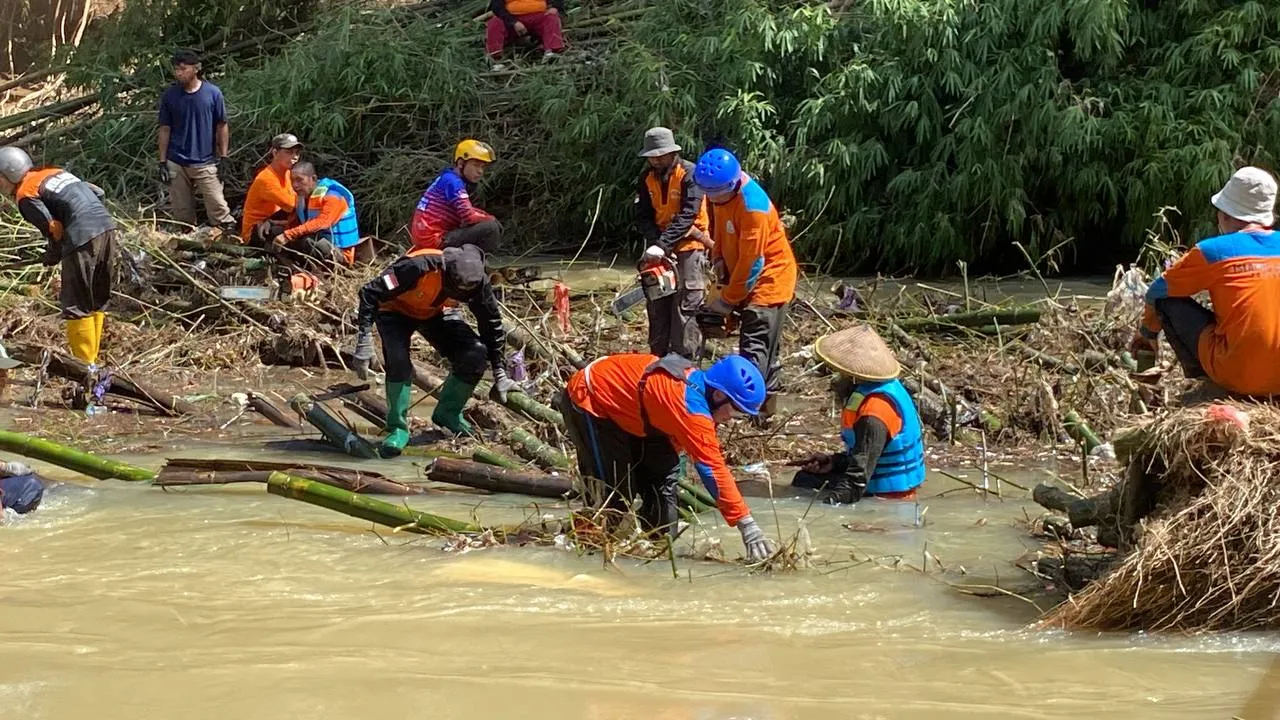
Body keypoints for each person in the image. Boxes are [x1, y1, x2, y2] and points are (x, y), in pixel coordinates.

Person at [554, 352, 776, 563]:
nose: (733, 419)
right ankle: (577, 547)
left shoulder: (700, 399)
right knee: (613, 496)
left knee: (662, 498)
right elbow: (712, 469)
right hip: (592, 400)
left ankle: (653, 556)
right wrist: (746, 524)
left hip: (642, 416)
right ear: (718, 395)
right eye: (736, 411)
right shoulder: (690, 408)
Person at [350, 244, 521, 457]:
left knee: (475, 353)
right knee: (398, 360)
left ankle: (448, 414)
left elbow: (491, 323)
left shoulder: (478, 282)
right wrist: (364, 340)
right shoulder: (417, 266)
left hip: (434, 313)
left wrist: (499, 371)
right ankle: (397, 428)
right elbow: (369, 292)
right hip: (394, 311)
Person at [1131, 166, 1280, 398]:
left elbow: (1157, 290)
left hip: (1237, 376)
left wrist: (1147, 333)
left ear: (1225, 215)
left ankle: (1207, 380)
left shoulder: (1212, 251)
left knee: (1166, 301)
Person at [0, 147, 116, 410]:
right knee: (95, 302)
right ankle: (92, 365)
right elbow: (97, 193)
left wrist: (53, 253)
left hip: (82, 236)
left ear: (10, 173)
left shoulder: (25, 194)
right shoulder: (53, 173)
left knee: (76, 305)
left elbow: (53, 227)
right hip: (106, 228)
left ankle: (85, 370)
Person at [692, 148, 798, 413]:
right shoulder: (720, 196)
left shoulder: (753, 208)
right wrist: (718, 257)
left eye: (715, 194)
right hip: (740, 272)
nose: (711, 199)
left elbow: (753, 263)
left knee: (755, 345)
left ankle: (748, 407)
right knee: (761, 346)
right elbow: (720, 228)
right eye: (708, 194)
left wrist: (728, 301)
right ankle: (764, 409)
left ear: (732, 184)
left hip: (769, 279)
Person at [790, 325, 926, 503]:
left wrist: (825, 508)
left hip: (887, 496)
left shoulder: (874, 411)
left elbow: (856, 482)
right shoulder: (886, 388)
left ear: (852, 375)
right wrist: (834, 462)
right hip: (884, 483)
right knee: (806, 479)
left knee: (803, 481)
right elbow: (868, 453)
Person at [635, 127, 711, 359]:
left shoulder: (690, 174)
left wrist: (664, 244)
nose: (656, 160)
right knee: (657, 304)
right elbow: (642, 216)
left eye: (661, 155)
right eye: (652, 157)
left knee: (686, 306)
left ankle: (685, 361)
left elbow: (689, 214)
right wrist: (655, 244)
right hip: (658, 246)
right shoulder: (646, 178)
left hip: (689, 245)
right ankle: (657, 357)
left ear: (672, 153)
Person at [157, 49, 235, 233]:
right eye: (176, 69)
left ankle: (226, 235)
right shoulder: (170, 96)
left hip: (205, 161)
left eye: (183, 69)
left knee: (219, 208)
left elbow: (221, 125)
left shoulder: (212, 93)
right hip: (176, 160)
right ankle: (188, 242)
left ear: (196, 68)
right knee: (182, 215)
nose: (179, 73)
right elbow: (164, 129)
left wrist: (224, 156)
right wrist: (162, 161)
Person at [410, 140, 502, 254]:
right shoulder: (454, 182)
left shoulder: (448, 177)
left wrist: (485, 216)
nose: (480, 171)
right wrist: (491, 218)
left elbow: (466, 211)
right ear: (460, 163)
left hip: (426, 238)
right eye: (476, 165)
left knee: (488, 221)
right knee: (491, 228)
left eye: (482, 167)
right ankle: (478, 262)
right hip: (434, 240)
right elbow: (469, 217)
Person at [263, 161, 362, 268]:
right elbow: (297, 223)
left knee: (309, 241)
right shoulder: (302, 197)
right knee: (275, 231)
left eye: (299, 180)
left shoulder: (333, 196)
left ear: (313, 179)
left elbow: (321, 222)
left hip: (340, 254)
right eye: (292, 181)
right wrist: (273, 223)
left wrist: (288, 235)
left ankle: (316, 271)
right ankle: (284, 265)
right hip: (313, 242)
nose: (295, 185)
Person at [241, 133, 302, 240]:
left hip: (273, 219)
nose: (295, 157)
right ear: (275, 153)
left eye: (297, 153)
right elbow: (292, 205)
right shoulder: (267, 179)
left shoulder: (288, 173)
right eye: (289, 152)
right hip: (256, 230)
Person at [485, 0, 564, 70]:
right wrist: (513, 22)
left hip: (538, 17)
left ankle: (552, 53)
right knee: (494, 23)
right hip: (511, 19)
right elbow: (497, 7)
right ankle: (497, 59)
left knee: (551, 18)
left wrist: (555, 7)